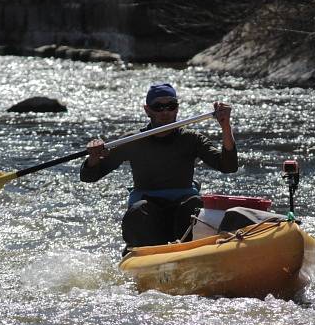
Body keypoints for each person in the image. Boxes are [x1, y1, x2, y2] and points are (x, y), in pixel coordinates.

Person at [80, 82, 237, 250]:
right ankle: (143, 254)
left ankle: (190, 251)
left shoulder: (192, 139)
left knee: (195, 204)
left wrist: (225, 125)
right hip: (149, 209)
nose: (165, 112)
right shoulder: (133, 141)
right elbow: (89, 176)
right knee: (139, 211)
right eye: (158, 107)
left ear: (177, 108)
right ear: (147, 110)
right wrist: (94, 157)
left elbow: (228, 166)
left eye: (171, 106)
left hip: (182, 206)